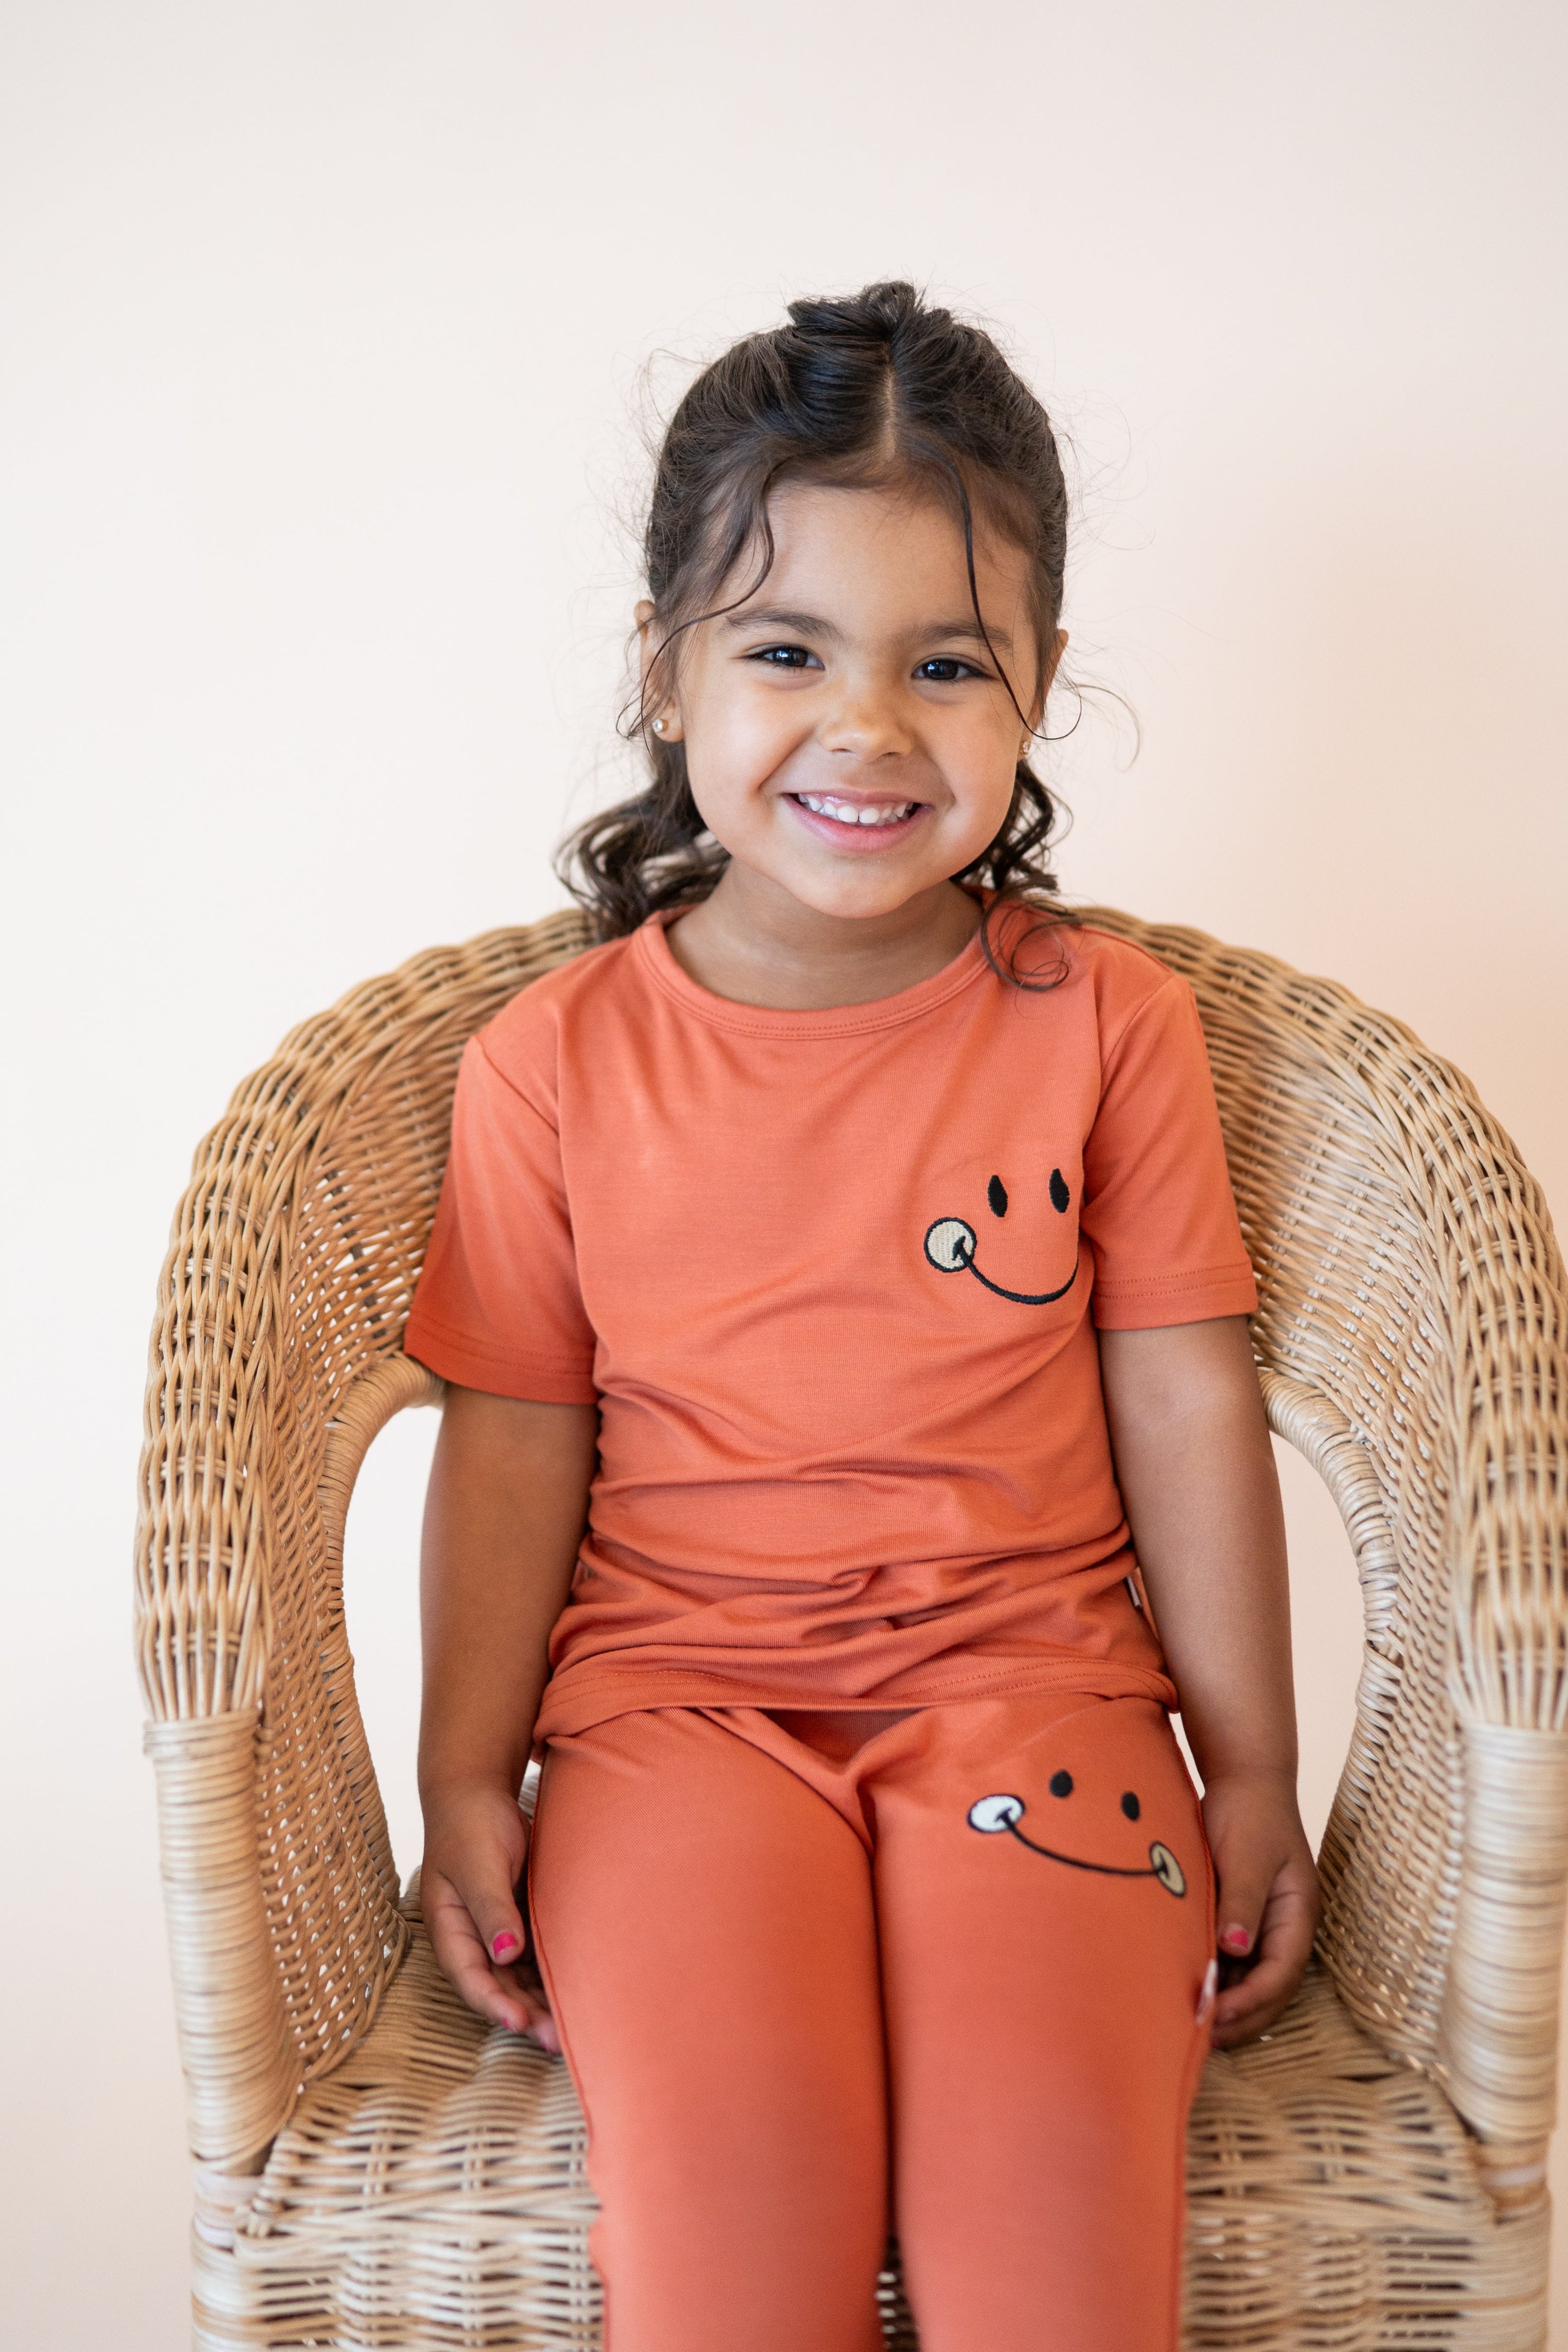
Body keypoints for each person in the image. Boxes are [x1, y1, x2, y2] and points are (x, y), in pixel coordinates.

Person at [403, 280, 1319, 2352]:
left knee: (1049, 2249)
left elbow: (1184, 1396)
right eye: (786, 649)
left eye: (946, 663)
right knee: (737, 2240)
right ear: (666, 671)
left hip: (1046, 1708)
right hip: (673, 1725)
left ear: (1040, 688)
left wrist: (1249, 1758)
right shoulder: (550, 1060)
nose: (867, 726)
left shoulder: (1108, 1027)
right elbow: (517, 1428)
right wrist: (470, 1768)